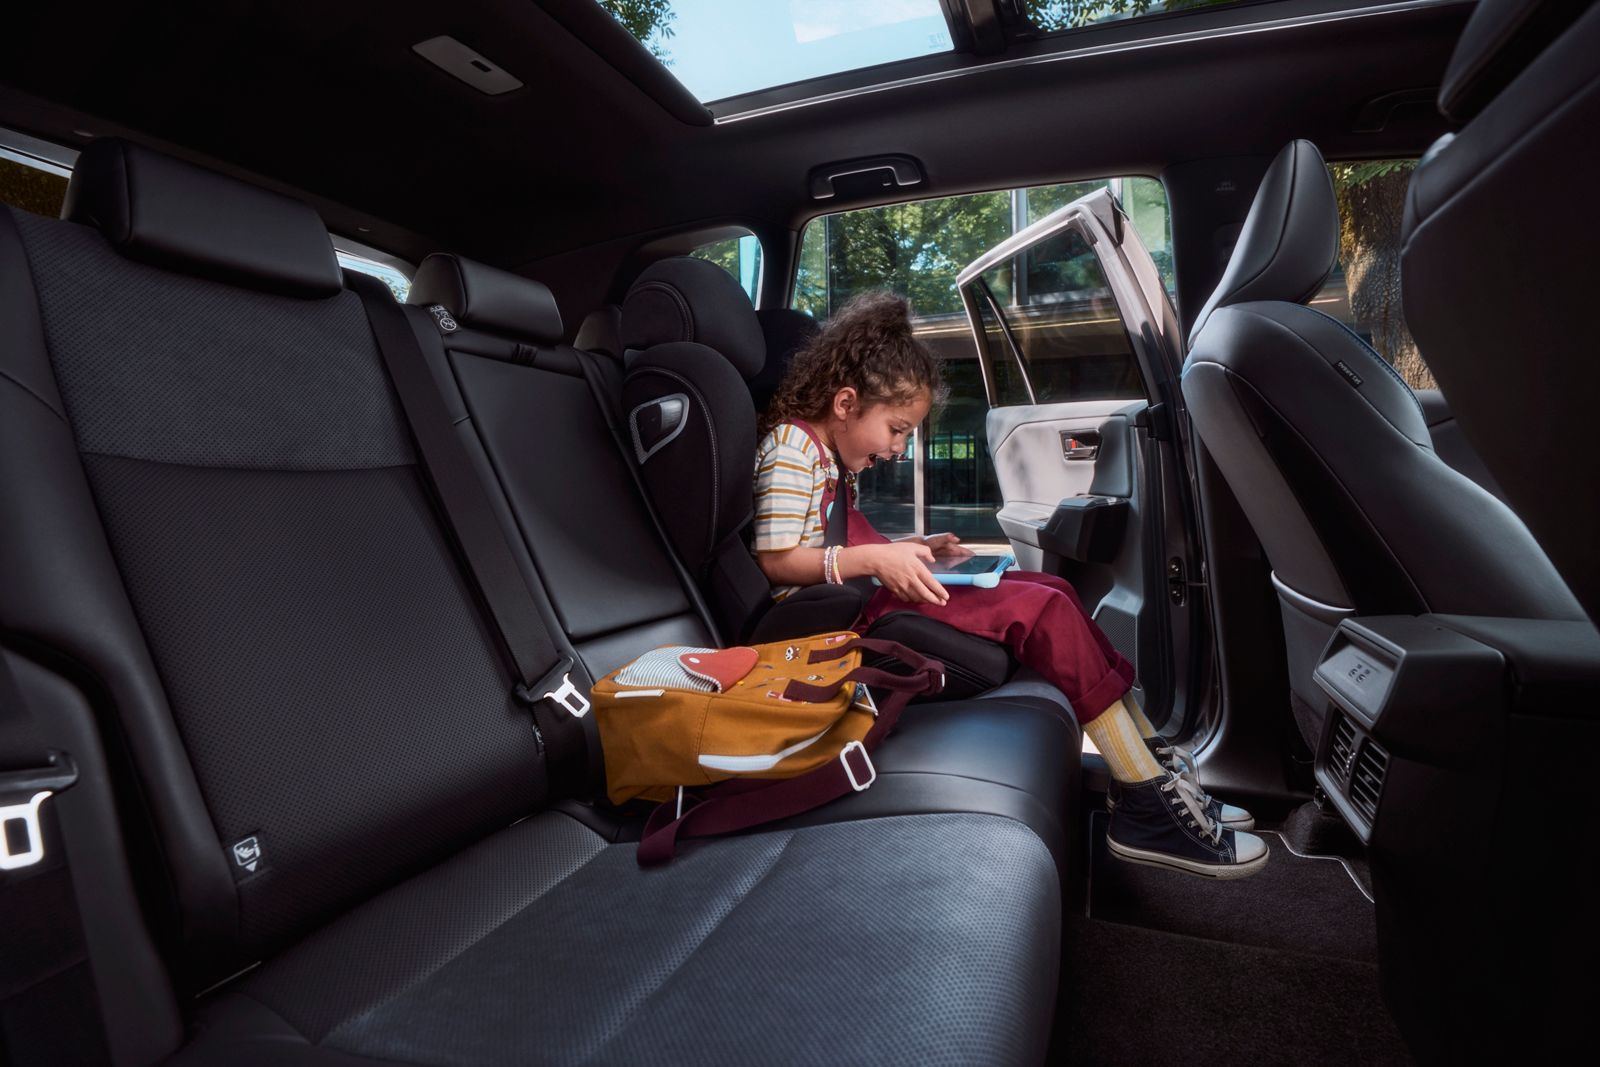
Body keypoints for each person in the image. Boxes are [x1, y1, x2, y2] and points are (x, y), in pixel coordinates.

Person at [752, 291, 1267, 879]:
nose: (897, 449)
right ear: (845, 403)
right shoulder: (792, 448)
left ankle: (1153, 764)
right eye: (895, 430)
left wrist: (909, 549)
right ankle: (1145, 803)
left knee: (1054, 592)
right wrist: (875, 558)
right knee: (1042, 614)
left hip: (858, 594)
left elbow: (835, 542)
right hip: (834, 623)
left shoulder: (829, 456)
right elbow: (778, 561)